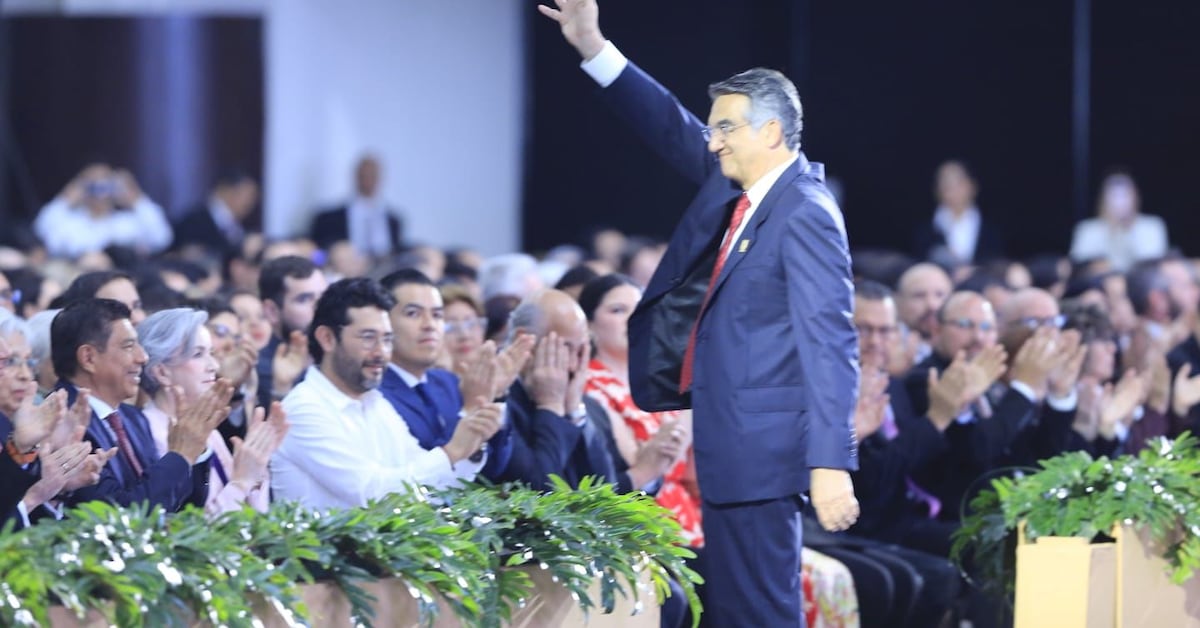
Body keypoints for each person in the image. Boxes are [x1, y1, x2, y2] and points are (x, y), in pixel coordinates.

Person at [540, 3, 859, 623]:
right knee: (738, 613)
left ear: (770, 133)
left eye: (725, 129)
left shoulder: (805, 211)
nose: (712, 142)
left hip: (763, 458)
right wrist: (593, 46)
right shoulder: (745, 190)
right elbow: (670, 125)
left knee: (759, 614)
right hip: (734, 448)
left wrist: (830, 464)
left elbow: (831, 346)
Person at [270, 278, 501, 510]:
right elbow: (372, 494)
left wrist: (471, 446)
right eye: (368, 338)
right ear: (327, 339)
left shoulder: (375, 401)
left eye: (387, 339)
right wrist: (452, 452)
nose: (381, 352)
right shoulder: (304, 408)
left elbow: (428, 484)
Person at [53, 299, 231, 511]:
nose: (143, 357)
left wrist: (195, 451)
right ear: (88, 358)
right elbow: (120, 513)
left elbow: (185, 510)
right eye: (129, 346)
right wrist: (180, 456)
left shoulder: (133, 418)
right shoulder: (63, 423)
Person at [138, 308, 288, 516]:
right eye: (198, 354)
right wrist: (242, 482)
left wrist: (256, 467)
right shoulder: (151, 434)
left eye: (211, 353)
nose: (214, 366)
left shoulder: (209, 431)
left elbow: (254, 520)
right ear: (162, 372)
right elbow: (194, 528)